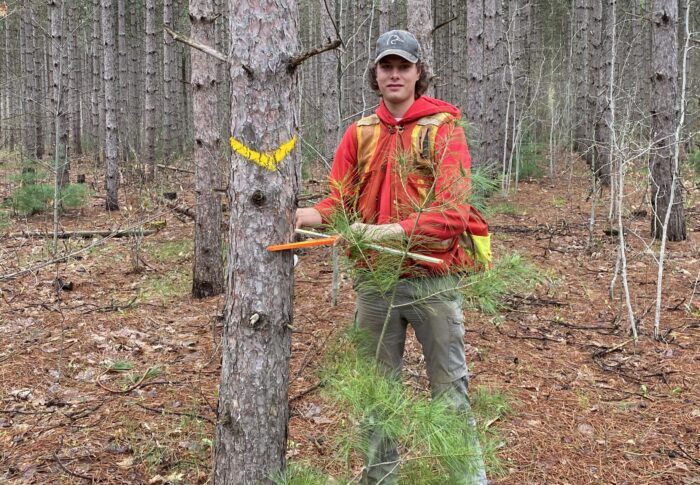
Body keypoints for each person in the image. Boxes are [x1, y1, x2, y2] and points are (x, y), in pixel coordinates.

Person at [295, 29, 489, 485]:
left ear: (420, 73)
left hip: (432, 280)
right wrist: (297, 214)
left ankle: (467, 478)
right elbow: (339, 205)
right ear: (375, 74)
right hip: (375, 285)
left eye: (404, 66)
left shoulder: (443, 129)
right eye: (387, 66)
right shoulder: (359, 134)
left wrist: (383, 231)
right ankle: (381, 477)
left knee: (450, 388)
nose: (395, 74)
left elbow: (452, 214)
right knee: (376, 392)